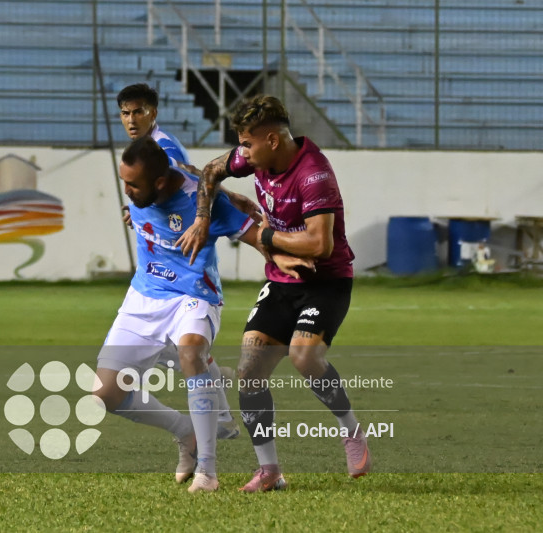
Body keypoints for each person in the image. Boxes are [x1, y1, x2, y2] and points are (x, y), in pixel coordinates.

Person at [176, 95, 371, 492]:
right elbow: (210, 171)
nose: (243, 153)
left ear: (273, 140)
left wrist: (263, 236)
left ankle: (351, 431)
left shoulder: (314, 174)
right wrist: (203, 218)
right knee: (249, 372)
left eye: (248, 144)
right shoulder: (254, 157)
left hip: (326, 282)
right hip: (282, 281)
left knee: (304, 356)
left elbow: (320, 245)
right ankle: (269, 471)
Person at [93, 137, 310, 493]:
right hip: (144, 295)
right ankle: (186, 432)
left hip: (194, 294)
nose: (127, 192)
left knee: (191, 351)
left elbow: (256, 236)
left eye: (133, 186)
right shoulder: (147, 188)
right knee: (105, 394)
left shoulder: (203, 203)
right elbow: (193, 169)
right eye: (124, 183)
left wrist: (286, 260)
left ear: (159, 182)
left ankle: (207, 471)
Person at [116, 83, 259, 440]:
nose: (131, 120)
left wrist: (226, 200)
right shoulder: (146, 147)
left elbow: (192, 178)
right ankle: (220, 410)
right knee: (184, 350)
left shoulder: (162, 146)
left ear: (153, 113)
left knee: (182, 348)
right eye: (125, 113)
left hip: (183, 268)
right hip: (160, 272)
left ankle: (209, 413)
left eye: (138, 112)